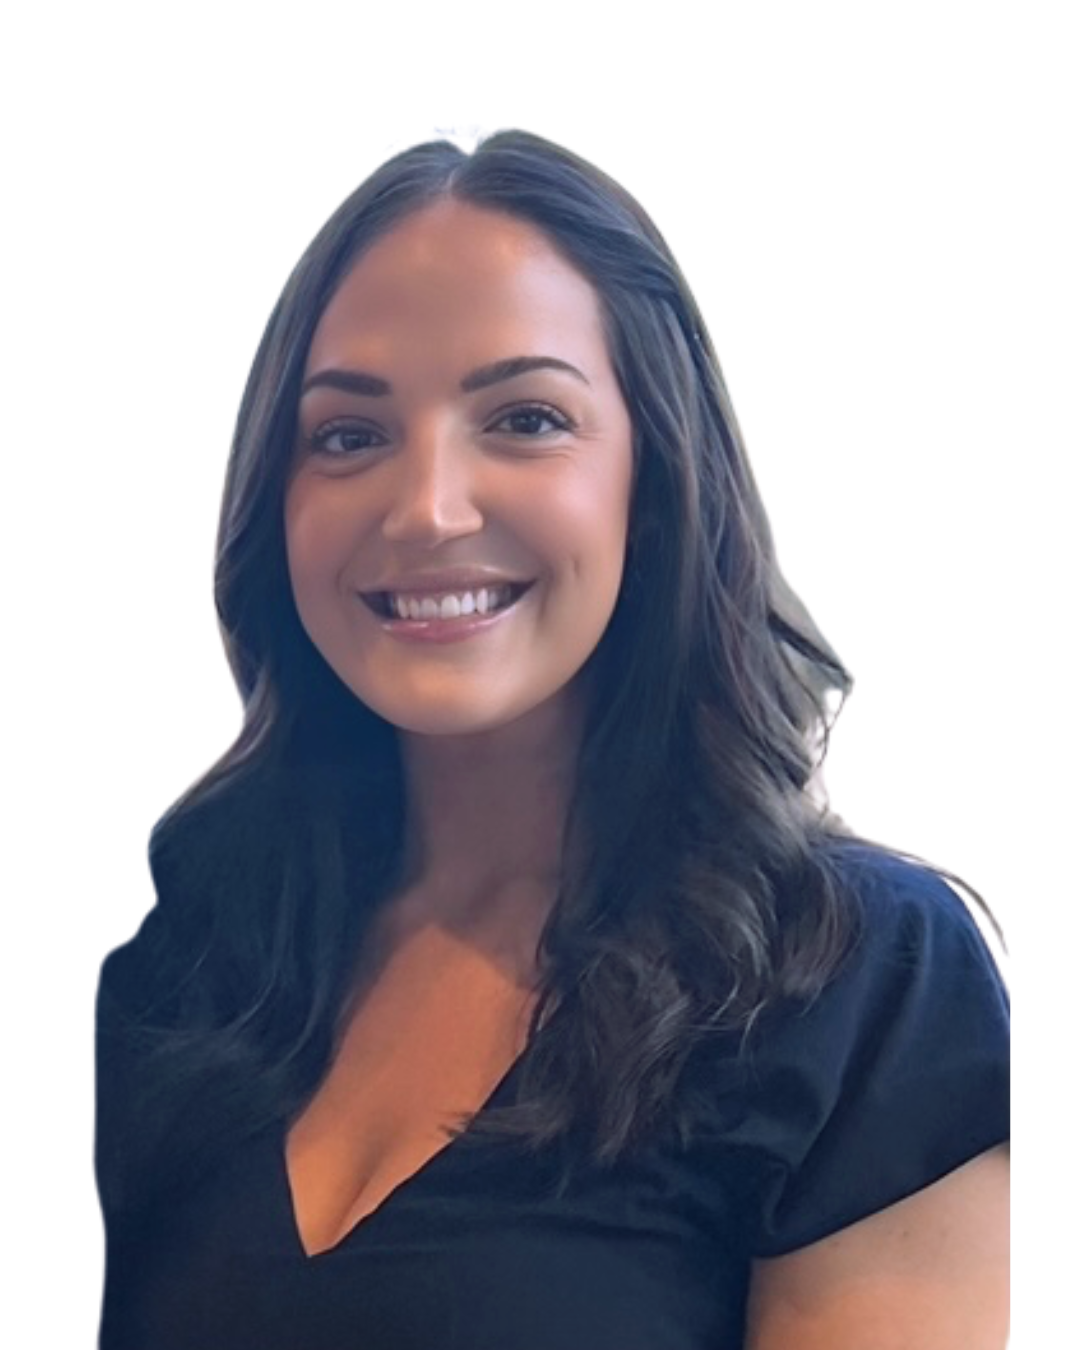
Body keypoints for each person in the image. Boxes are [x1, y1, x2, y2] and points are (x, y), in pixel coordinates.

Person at [95, 130, 1010, 1349]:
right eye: (349, 435)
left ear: (660, 477)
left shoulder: (858, 985)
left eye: (525, 418)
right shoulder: (187, 977)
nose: (426, 507)